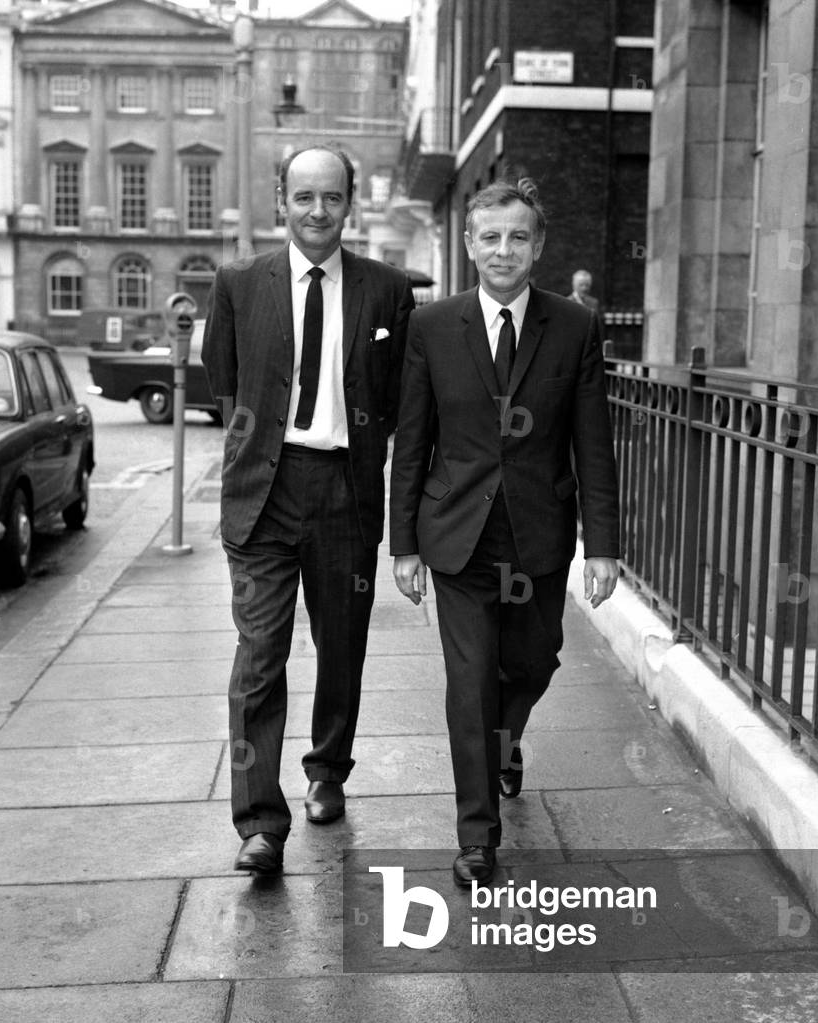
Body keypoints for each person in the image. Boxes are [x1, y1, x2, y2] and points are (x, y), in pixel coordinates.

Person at [390, 178, 620, 887]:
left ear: (538, 246)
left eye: (518, 236)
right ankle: (476, 836)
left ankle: (506, 739)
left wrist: (603, 543)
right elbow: (413, 437)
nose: (503, 249)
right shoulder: (432, 327)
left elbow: (593, 440)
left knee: (532, 663)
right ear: (469, 244)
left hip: (539, 535)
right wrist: (402, 543)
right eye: (489, 236)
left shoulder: (574, 327)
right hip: (456, 535)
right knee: (468, 684)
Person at [202, 146, 414, 876]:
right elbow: (225, 386)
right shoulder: (238, 283)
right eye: (303, 197)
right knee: (258, 657)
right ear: (280, 201)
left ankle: (327, 768)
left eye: (331, 197)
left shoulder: (388, 291)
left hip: (345, 491)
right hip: (263, 490)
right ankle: (261, 822)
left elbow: (394, 401)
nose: (317, 211)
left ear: (350, 202)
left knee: (341, 645)